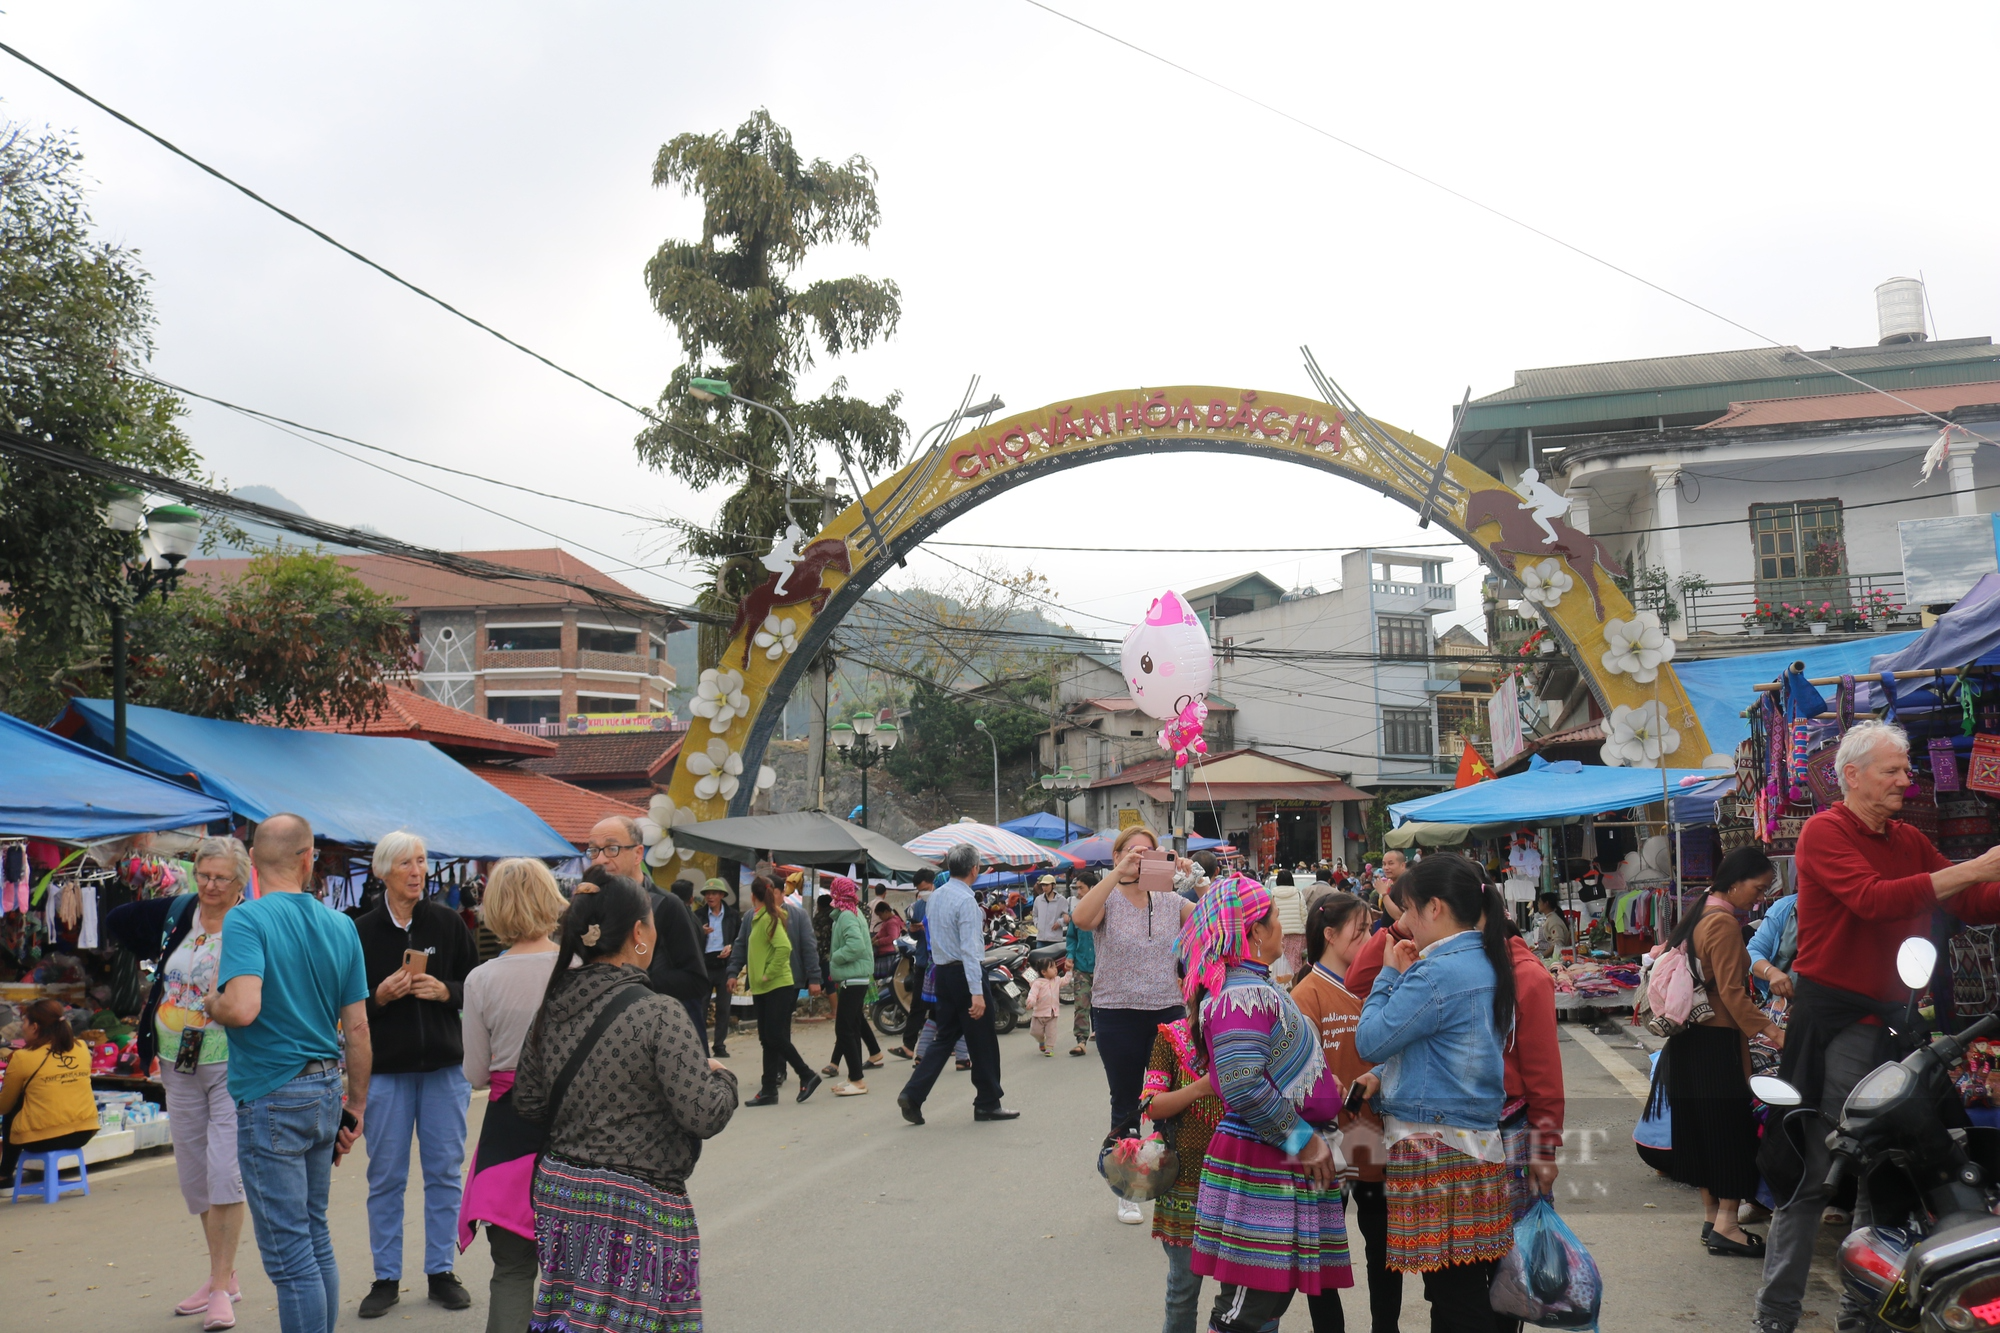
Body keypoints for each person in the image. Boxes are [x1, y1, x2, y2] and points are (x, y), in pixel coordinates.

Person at [1754, 722, 2000, 1333]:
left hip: (1895, 1026)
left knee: (1886, 1175)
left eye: (1906, 769)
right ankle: (1776, 1317)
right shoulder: (1824, 831)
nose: (1905, 781)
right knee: (1815, 1174)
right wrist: (1977, 868)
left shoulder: (1909, 838)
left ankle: (1861, 1316)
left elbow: (1968, 902)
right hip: (1836, 1023)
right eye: (1892, 771)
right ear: (1852, 775)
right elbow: (1876, 898)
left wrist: (1987, 877)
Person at [515, 875, 737, 1333]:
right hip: (635, 1208)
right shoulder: (660, 1012)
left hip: (563, 1196)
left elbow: (529, 1101)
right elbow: (703, 1112)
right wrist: (725, 1079)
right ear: (639, 933)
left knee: (570, 1320)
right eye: (651, 924)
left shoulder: (553, 1003)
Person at [208, 813, 371, 1333]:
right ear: (308, 860)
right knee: (314, 1236)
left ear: (252, 862)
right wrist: (357, 1105)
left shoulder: (247, 920)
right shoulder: (341, 925)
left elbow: (244, 1007)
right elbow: (360, 1030)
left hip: (271, 1092)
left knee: (289, 1255)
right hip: (326, 1086)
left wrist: (213, 1003)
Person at [1179, 875, 1349, 1331]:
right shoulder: (1241, 995)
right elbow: (1242, 1085)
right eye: (1274, 915)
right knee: (1248, 1305)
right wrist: (1304, 1142)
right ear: (1255, 931)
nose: (1280, 923)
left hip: (1274, 1156)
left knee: (1270, 1295)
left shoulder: (1252, 987)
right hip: (1264, 1155)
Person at [1354, 854, 1515, 1331]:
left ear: (1436, 908)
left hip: (1434, 1145)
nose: (1401, 923)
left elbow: (1370, 1040)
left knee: (1453, 1293)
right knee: (1461, 1284)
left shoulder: (1436, 973)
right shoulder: (1486, 959)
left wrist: (1388, 975)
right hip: (1475, 1141)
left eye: (1407, 910)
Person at [104, 835, 252, 1329]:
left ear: (241, 881)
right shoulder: (180, 913)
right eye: (203, 875)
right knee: (194, 1176)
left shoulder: (251, 924)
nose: (210, 886)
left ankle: (219, 1289)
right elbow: (117, 922)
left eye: (221, 878)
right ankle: (221, 1277)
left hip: (232, 1062)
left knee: (225, 1172)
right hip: (176, 1063)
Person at [353, 830, 479, 1318]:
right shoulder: (359, 931)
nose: (416, 871)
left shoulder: (448, 923)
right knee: (385, 1176)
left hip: (445, 1069)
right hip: (385, 1071)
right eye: (405, 863)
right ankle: (386, 1277)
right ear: (382, 871)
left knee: (445, 1173)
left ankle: (441, 1270)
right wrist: (379, 998)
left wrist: (444, 991)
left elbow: (474, 986)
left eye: (422, 862)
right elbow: (345, 1008)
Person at [1651, 845, 1782, 1260]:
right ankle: (1728, 1225)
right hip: (1716, 1042)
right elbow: (1731, 992)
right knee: (1729, 1131)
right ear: (1737, 881)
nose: (1758, 898)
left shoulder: (1698, 913)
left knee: (1701, 1132)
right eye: (1758, 889)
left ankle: (1712, 1220)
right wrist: (1771, 1030)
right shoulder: (1723, 923)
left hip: (1688, 1042)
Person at [458, 859, 566, 1333]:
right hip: (578, 1129)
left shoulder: (481, 980)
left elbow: (476, 1074)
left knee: (512, 1268)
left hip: (508, 1136)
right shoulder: (580, 968)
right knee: (581, 1271)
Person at [1070, 824, 1196, 1224]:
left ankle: (1165, 1180)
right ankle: (1127, 1186)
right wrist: (1117, 874)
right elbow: (1081, 918)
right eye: (1132, 852)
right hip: (1116, 1013)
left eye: (1149, 852)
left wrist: (1198, 881)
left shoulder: (1172, 899)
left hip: (1168, 1014)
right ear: (1118, 856)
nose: (1140, 859)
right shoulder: (1107, 898)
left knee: (1167, 1105)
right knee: (1126, 1104)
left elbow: (1213, 924)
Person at [1290, 891, 1398, 1333]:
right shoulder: (1304, 996)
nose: (1369, 936)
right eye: (1361, 929)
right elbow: (1303, 1080)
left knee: (1383, 1248)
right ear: (1330, 936)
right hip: (1326, 1142)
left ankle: (1385, 1328)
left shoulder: (1375, 986)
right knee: (1321, 1255)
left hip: (1371, 1135)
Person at [897, 843, 1017, 1125]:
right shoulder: (967, 903)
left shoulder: (935, 897)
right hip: (965, 974)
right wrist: (977, 993)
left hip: (942, 974)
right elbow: (971, 951)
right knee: (983, 1040)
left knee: (944, 1037)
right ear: (974, 869)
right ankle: (987, 1102)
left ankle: (913, 1093)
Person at [587, 816, 710, 1052]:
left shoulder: (665, 905)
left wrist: (631, 982)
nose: (601, 859)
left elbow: (696, 982)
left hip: (659, 1037)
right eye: (593, 850)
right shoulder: (588, 906)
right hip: (605, 1040)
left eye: (612, 849)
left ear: (638, 853)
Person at [1142, 1011, 1224, 1333]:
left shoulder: (1247, 1032)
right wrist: (1200, 1088)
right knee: (1183, 1291)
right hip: (1185, 1185)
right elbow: (1152, 1104)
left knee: (1242, 1293)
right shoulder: (1171, 1038)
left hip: (1238, 1181)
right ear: (1184, 986)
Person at [730, 872, 822, 1106]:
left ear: (753, 896)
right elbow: (743, 946)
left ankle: (806, 1074)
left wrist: (767, 972)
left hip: (778, 985)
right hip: (762, 988)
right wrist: (735, 972)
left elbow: (784, 948)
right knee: (767, 1038)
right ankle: (769, 1088)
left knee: (775, 1035)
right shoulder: (754, 917)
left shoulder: (773, 918)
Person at [0, 999, 99, 1187]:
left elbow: (3, 1106)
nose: (22, 1028)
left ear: (35, 1027)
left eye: (24, 1023)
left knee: (14, 1108)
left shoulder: (22, 1057)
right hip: (84, 1132)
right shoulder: (81, 1048)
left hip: (44, 1138)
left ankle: (4, 1175)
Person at [823, 876, 878, 1095]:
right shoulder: (850, 913)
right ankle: (853, 1077)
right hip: (854, 978)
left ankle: (857, 1080)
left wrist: (835, 958)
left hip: (852, 979)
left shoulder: (846, 916)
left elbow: (855, 945)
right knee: (851, 1027)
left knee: (844, 1029)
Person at [888, 868, 938, 1060]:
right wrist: (914, 928)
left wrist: (927, 927)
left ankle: (949, 1045)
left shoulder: (941, 901)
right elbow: (915, 935)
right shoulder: (918, 906)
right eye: (919, 890)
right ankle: (909, 1046)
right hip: (923, 962)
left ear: (932, 884)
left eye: (925, 888)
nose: (923, 893)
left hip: (938, 962)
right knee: (917, 1004)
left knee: (940, 1006)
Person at [698, 880, 741, 1057]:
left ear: (722, 895)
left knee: (724, 1008)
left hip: (724, 965)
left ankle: (719, 1045)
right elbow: (689, 938)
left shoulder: (732, 915)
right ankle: (701, 1046)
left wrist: (730, 946)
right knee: (701, 1006)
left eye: (714, 893)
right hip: (704, 965)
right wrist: (699, 931)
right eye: (707, 893)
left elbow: (740, 938)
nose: (710, 896)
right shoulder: (698, 916)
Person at [1746, 886, 1798, 1004]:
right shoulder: (1783, 909)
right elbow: (1753, 951)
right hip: (1785, 1006)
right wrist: (1771, 973)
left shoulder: (1844, 909)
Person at [1267, 870, 1307, 985]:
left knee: (1277, 963)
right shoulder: (1298, 894)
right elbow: (1304, 915)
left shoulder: (1271, 894)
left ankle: (1280, 988)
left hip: (1278, 933)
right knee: (1295, 963)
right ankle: (1294, 987)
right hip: (1296, 934)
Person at [1027, 960, 1064, 1056]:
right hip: (1039, 1013)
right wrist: (1031, 1001)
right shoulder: (1038, 983)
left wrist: (1069, 972)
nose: (1055, 970)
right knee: (1035, 1032)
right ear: (1043, 972)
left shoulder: (1057, 980)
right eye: (1052, 968)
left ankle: (1050, 1047)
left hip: (1052, 1013)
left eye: (1055, 967)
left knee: (1051, 1032)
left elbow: (1066, 980)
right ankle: (1041, 1040)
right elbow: (1033, 994)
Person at [1532, 891, 1571, 959]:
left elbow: (1557, 944)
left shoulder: (1554, 921)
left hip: (1556, 958)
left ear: (1546, 903)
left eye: (1539, 902)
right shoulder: (1549, 919)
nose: (1538, 904)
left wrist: (1541, 956)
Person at [1032, 873, 1070, 944]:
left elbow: (1067, 916)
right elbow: (1035, 915)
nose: (1045, 887)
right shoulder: (1038, 899)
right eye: (1043, 885)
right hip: (1041, 938)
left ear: (1053, 886)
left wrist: (1059, 923)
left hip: (1055, 938)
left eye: (1047, 885)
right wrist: (1037, 924)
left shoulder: (1061, 900)